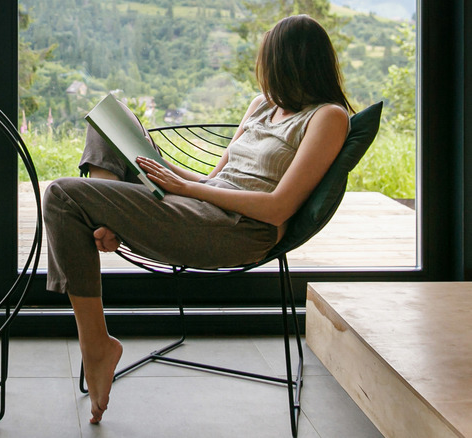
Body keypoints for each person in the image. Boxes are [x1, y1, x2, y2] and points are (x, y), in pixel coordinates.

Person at [42, 14, 354, 425]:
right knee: (110, 120)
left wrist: (185, 189)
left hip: (235, 228)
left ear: (292, 64)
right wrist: (164, 173)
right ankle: (111, 222)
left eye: (268, 62)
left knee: (62, 195)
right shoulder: (262, 106)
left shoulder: (327, 118)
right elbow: (214, 179)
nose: (263, 74)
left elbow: (279, 206)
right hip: (201, 205)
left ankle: (96, 343)